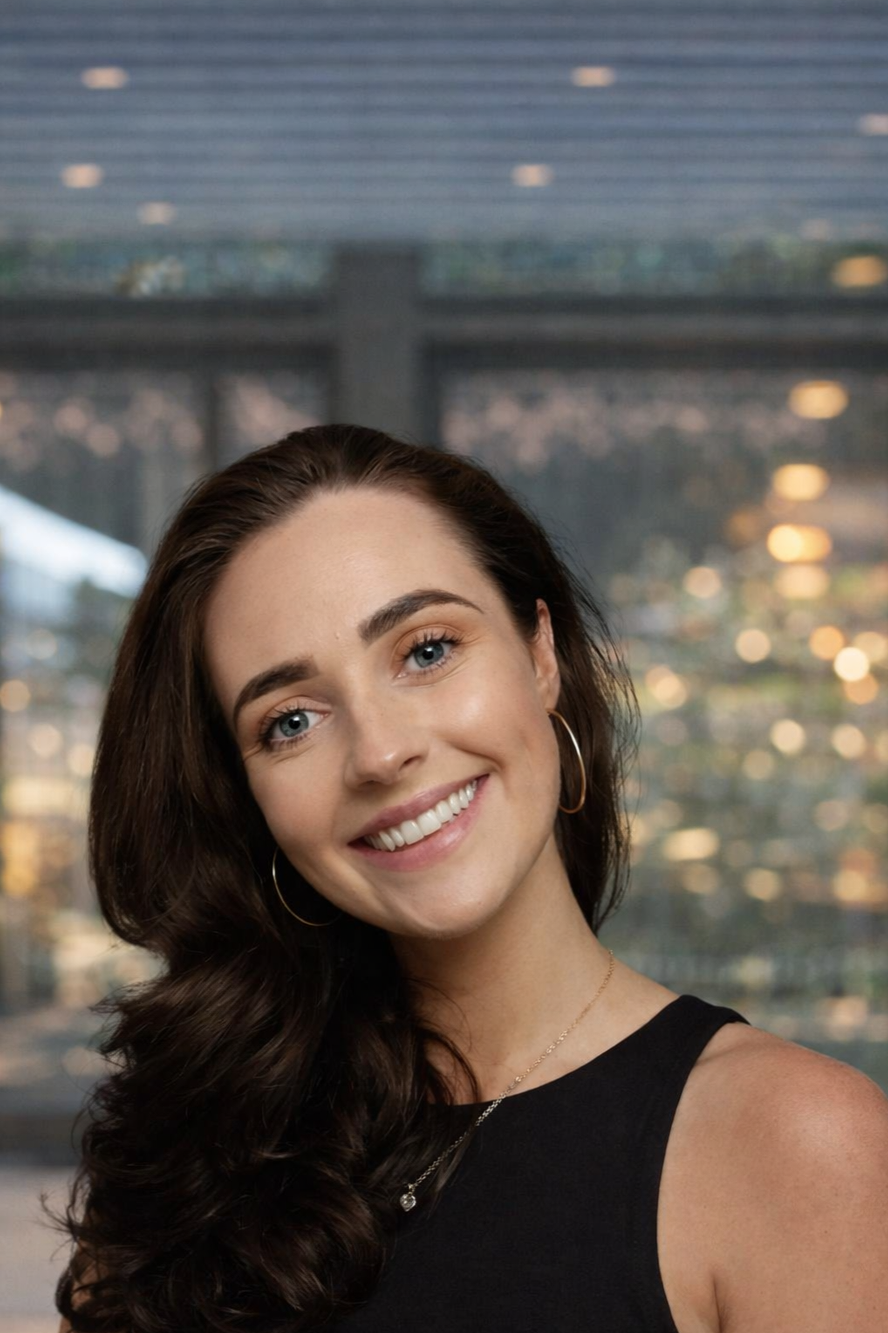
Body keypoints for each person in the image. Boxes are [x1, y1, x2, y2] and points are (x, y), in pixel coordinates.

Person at [51, 424, 887, 1332]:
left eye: (426, 649)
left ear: (541, 653)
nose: (380, 752)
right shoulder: (187, 1158)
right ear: (245, 792)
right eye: (290, 719)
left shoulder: (796, 1145)